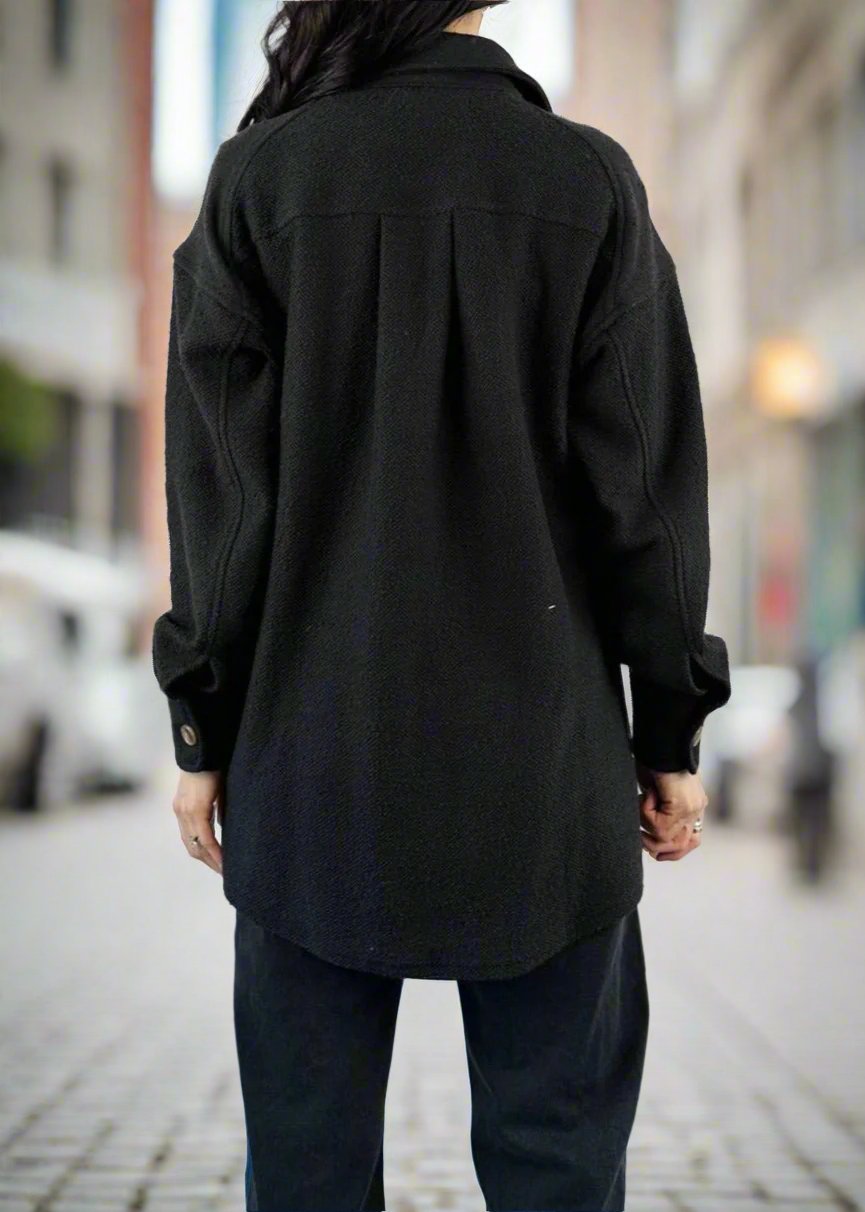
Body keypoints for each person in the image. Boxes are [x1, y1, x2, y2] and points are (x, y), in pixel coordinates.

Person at [151, 2, 732, 1209]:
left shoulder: (262, 179)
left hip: (312, 762)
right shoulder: (587, 183)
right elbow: (647, 499)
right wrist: (670, 731)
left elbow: (223, 503)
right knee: (558, 1163)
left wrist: (201, 725)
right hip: (547, 778)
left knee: (306, 1168)